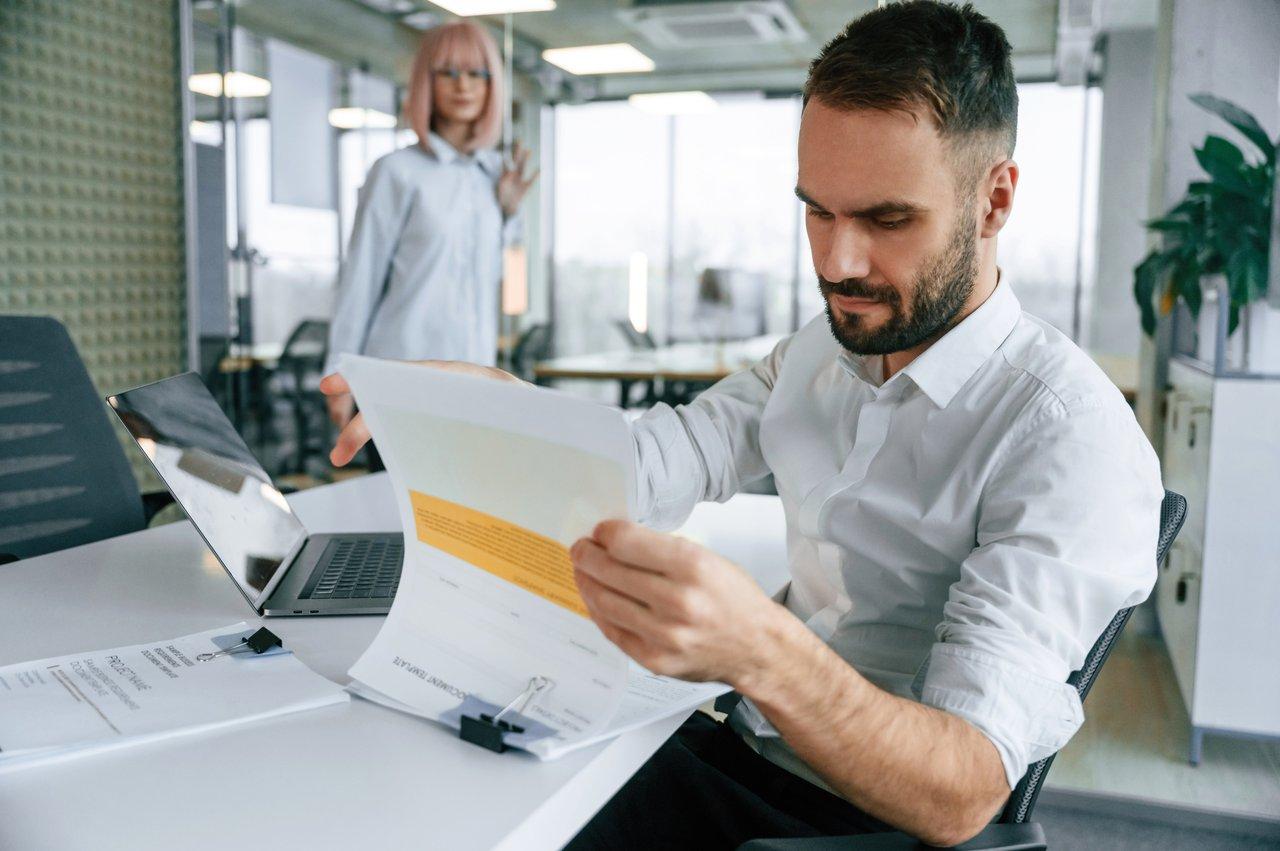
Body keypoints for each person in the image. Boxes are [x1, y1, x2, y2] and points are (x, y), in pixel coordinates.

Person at [321, 2, 1163, 847]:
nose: (837, 262)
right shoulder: (822, 353)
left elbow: (960, 790)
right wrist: (489, 405)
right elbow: (654, 460)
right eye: (818, 212)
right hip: (741, 749)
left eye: (887, 219)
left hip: (838, 822)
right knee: (432, 756)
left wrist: (758, 649)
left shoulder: (1068, 438)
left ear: (995, 200)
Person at [323, 20, 538, 450]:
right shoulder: (396, 172)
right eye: (449, 73)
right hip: (400, 376)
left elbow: (510, 291)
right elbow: (361, 277)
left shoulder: (493, 176)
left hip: (475, 380)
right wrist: (341, 373)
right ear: (427, 82)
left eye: (479, 74)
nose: (464, 86)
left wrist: (510, 214)